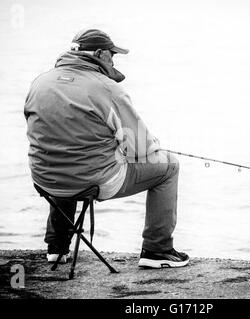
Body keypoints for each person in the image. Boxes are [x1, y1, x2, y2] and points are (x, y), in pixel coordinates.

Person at [24, 29, 189, 268]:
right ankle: (157, 250)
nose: (113, 61)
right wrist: (137, 148)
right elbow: (141, 147)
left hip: (44, 180)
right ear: (100, 54)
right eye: (112, 55)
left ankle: (57, 247)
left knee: (63, 154)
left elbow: (41, 129)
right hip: (92, 182)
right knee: (169, 166)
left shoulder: (40, 82)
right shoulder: (107, 88)